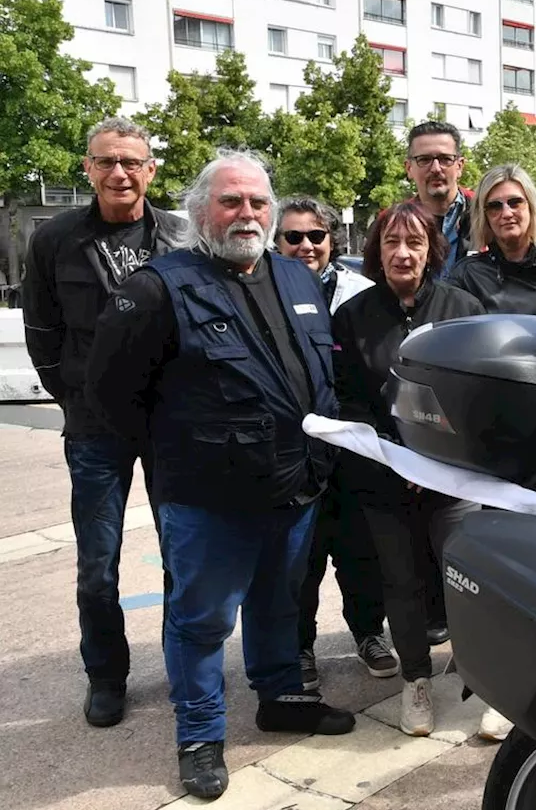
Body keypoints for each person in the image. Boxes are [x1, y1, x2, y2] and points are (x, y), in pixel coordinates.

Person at [84, 149, 356, 800]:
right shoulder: (158, 286)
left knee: (277, 603)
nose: (246, 213)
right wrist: (185, 452)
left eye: (258, 201)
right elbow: (112, 395)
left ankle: (281, 695)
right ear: (201, 209)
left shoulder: (296, 276)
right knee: (200, 621)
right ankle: (200, 736)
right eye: (231, 201)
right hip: (208, 501)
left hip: (295, 490)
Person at [21, 116, 184, 729]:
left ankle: (181, 665)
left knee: (182, 553)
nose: (120, 172)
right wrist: (71, 397)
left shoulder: (180, 236)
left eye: (131, 162)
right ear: (88, 168)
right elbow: (41, 330)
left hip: (169, 422)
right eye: (107, 161)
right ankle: (106, 677)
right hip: (93, 428)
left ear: (150, 170)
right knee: (97, 562)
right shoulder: (56, 239)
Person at [331, 200, 511, 743]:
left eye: (414, 242)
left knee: (470, 581)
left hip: (452, 478)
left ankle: (496, 685)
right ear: (376, 251)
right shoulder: (352, 317)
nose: (402, 253)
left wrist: (434, 454)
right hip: (385, 480)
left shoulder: (462, 306)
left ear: (432, 249)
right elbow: (347, 399)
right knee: (401, 584)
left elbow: (481, 391)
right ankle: (416, 680)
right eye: (391, 242)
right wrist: (399, 452)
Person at [274, 196, 397, 691]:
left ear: (332, 240)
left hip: (351, 444)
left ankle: (368, 633)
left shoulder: (360, 292)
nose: (306, 246)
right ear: (277, 242)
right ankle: (299, 646)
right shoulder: (261, 289)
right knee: (300, 558)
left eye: (316, 236)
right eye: (293, 237)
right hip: (293, 445)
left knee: (359, 550)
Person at [448, 164, 536, 316]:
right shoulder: (466, 276)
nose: (506, 213)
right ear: (484, 216)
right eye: (495, 206)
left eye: (515, 202)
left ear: (531, 207)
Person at [405, 120, 472, 278]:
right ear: (409, 168)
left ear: (460, 166)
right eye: (424, 159)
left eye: (445, 159)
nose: (435, 168)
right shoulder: (392, 224)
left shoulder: (487, 214)